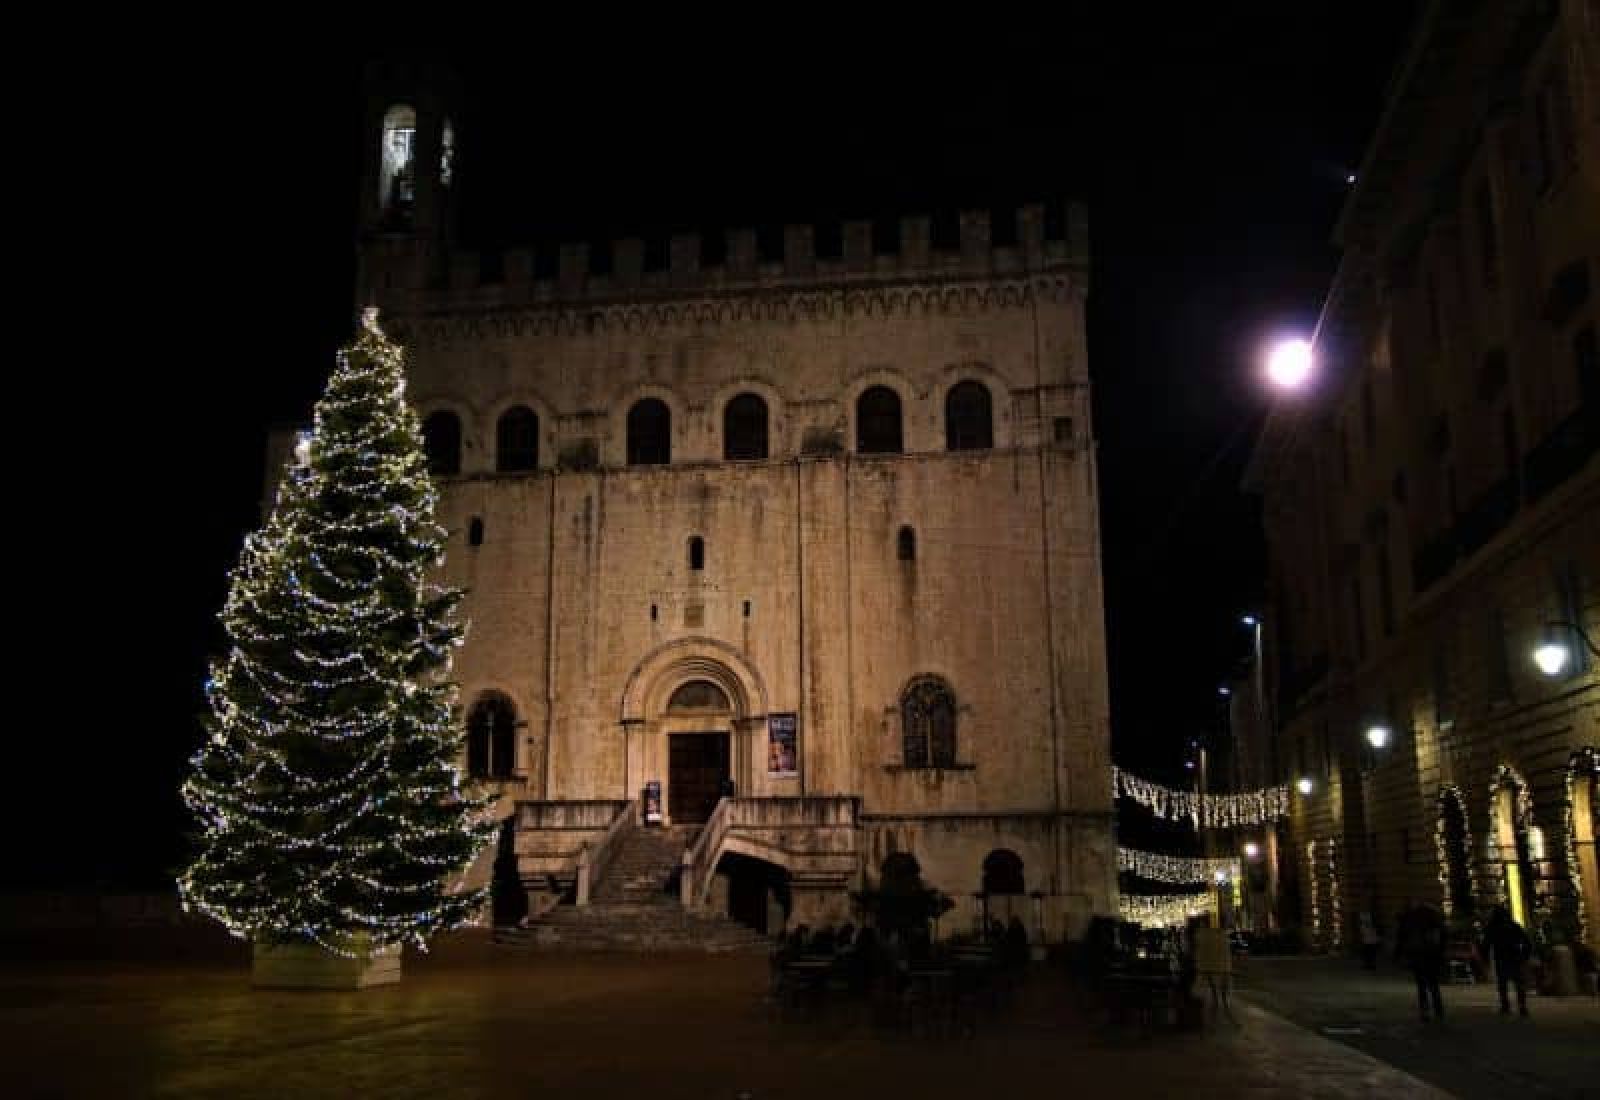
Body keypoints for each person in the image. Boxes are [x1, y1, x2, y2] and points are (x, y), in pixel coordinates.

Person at [1396, 900, 1446, 1021]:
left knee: (1422, 985)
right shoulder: (1435, 923)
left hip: (1419, 956)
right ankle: (1438, 1010)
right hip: (1431, 956)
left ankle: (1425, 1011)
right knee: (1433, 985)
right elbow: (1442, 939)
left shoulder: (1412, 922)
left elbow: (1403, 938)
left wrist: (1399, 955)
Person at [1480, 906, 1534, 1016]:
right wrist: (1524, 955)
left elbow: (1486, 944)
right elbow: (1526, 942)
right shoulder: (1514, 926)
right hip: (1515, 956)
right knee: (1518, 983)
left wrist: (1485, 959)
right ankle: (1522, 1006)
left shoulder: (1493, 927)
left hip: (1501, 958)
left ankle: (1505, 1006)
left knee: (1503, 983)